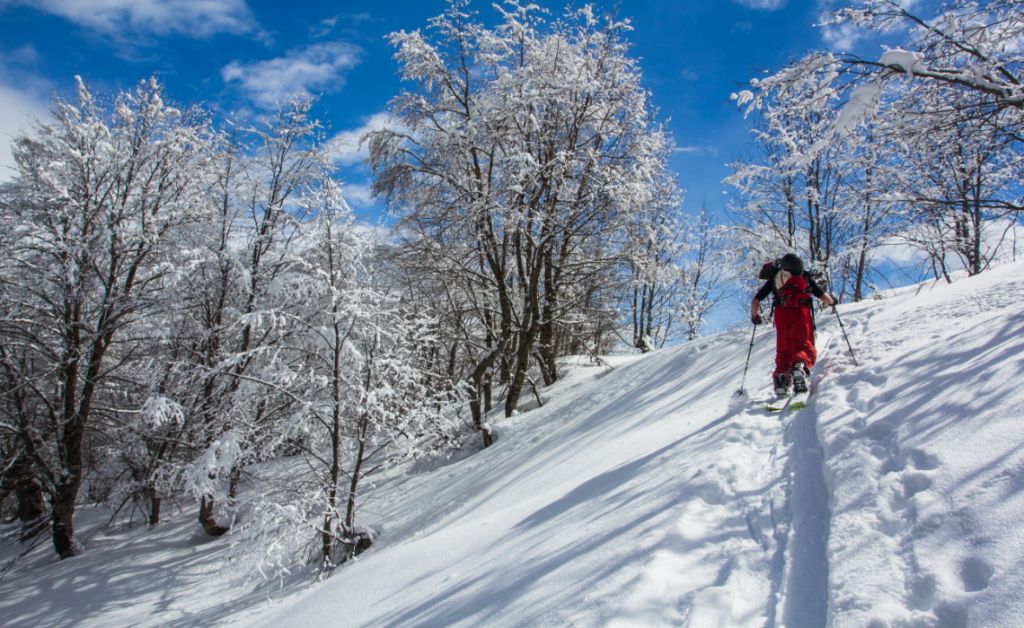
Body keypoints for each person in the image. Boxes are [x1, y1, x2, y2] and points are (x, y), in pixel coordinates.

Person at [750, 254, 835, 396]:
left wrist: (755, 316)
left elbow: (756, 300)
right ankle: (799, 366)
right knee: (804, 345)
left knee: (783, 349)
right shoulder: (805, 276)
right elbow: (822, 296)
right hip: (801, 313)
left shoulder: (775, 278)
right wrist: (833, 302)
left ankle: (781, 377)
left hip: (781, 315)